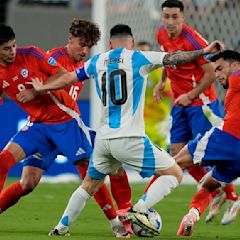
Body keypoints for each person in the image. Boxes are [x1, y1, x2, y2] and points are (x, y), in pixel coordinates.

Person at [28, 23, 223, 236]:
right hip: (129, 138)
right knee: (174, 173)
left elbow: (68, 78)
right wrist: (204, 51)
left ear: (110, 43)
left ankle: (60, 228)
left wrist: (43, 87)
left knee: (89, 185)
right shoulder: (139, 57)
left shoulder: (98, 60)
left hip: (103, 140)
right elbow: (174, 58)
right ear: (131, 42)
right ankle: (138, 210)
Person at [0, 20, 132, 237]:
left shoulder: (82, 65)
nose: (85, 50)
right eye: (82, 44)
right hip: (42, 126)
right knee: (26, 180)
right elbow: (47, 80)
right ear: (70, 39)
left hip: (66, 125)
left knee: (98, 169)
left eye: (89, 46)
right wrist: (35, 92)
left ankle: (118, 222)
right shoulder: (48, 57)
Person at [146, 0, 238, 223]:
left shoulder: (194, 40)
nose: (169, 21)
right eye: (166, 16)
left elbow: (210, 74)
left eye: (174, 17)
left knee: (207, 154)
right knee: (177, 152)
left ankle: (230, 196)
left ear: (183, 17)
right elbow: (169, 61)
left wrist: (191, 94)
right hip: (180, 102)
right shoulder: (161, 34)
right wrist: (162, 83)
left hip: (201, 103)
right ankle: (216, 192)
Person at [176, 50, 240, 236]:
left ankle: (139, 209)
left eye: (220, 69)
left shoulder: (237, 76)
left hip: (227, 138)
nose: (217, 75)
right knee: (207, 184)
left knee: (172, 164)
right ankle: (191, 216)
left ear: (235, 65)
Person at [136, 41, 173, 149]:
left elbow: (171, 95)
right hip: (141, 122)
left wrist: (174, 117)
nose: (143, 56)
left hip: (158, 123)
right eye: (140, 53)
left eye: (146, 53)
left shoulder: (158, 73)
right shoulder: (133, 74)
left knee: (161, 156)